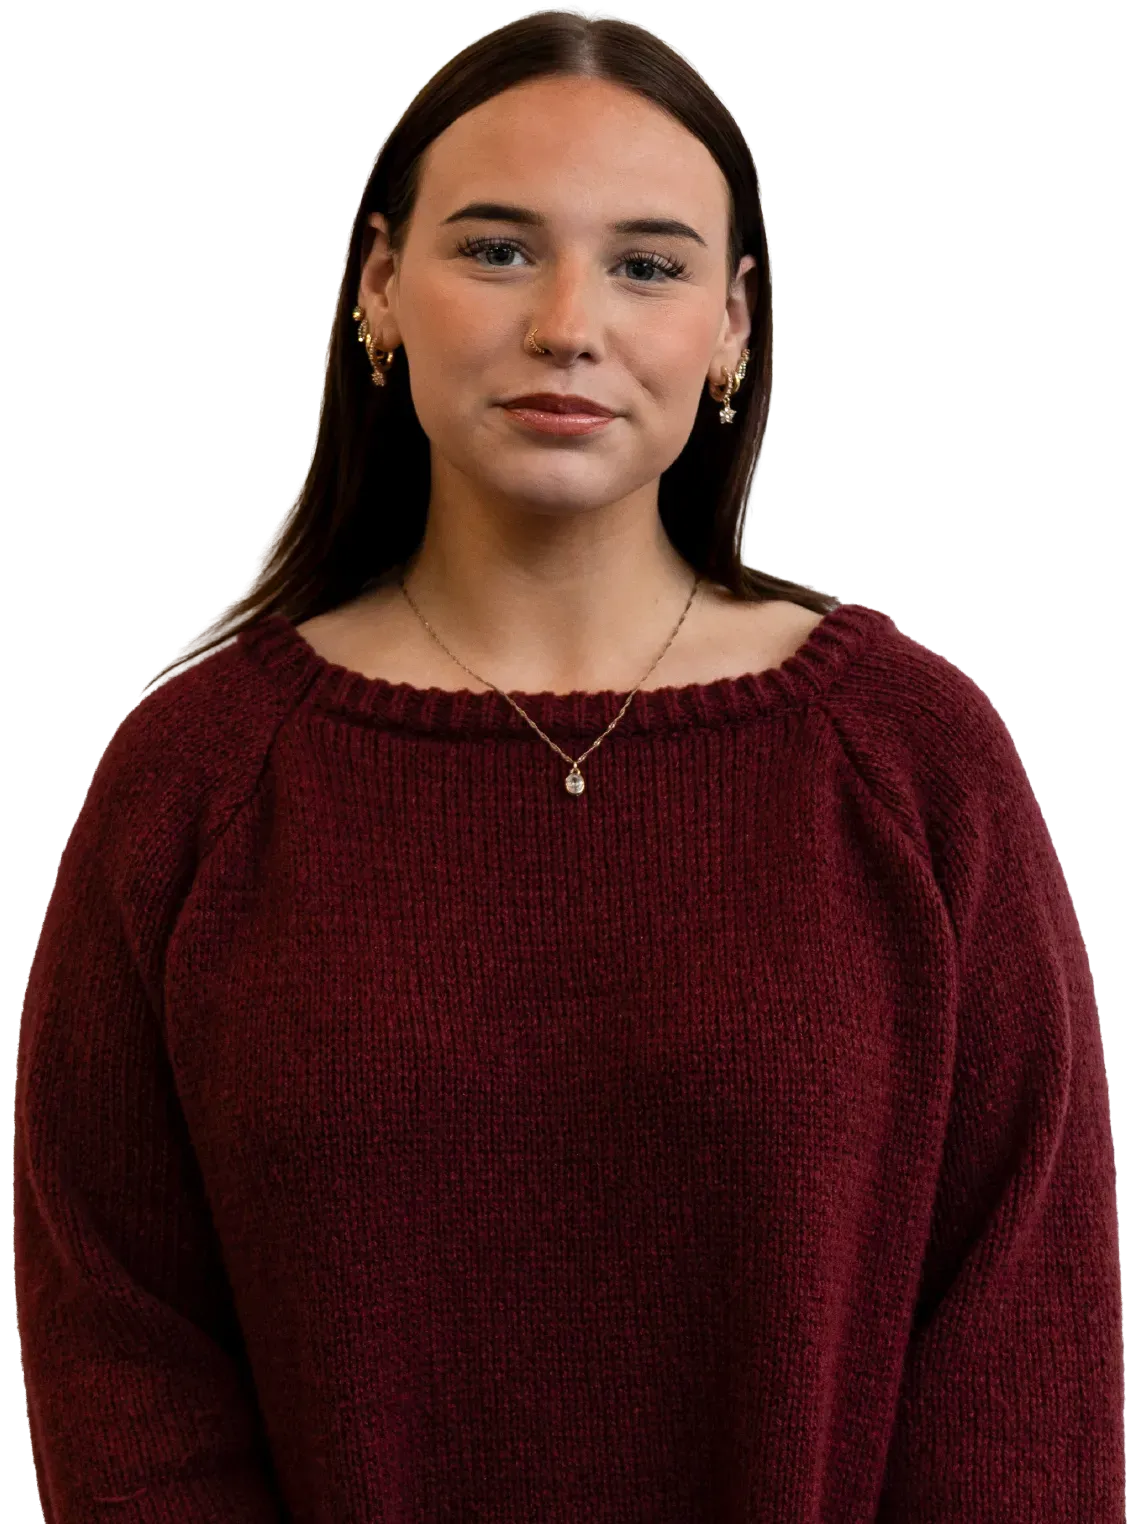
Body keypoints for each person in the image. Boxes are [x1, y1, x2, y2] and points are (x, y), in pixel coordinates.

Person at [13, 12, 1125, 1522]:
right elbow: (119, 1348)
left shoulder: (914, 761)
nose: (569, 322)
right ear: (379, 289)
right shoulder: (194, 781)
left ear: (733, 325)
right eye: (497, 250)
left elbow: (1021, 1355)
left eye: (648, 264)